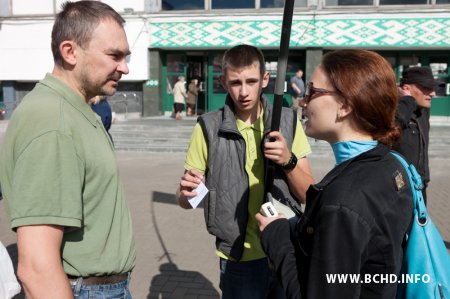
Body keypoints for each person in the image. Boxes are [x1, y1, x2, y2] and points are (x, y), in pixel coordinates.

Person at [0, 1, 136, 298]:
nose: (124, 67)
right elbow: (36, 267)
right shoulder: (54, 122)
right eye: (114, 55)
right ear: (70, 52)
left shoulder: (75, 110)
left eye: (126, 56)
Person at [256, 49, 414, 299]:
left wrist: (276, 235)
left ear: (345, 107)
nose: (303, 101)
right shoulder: (390, 163)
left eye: (312, 92)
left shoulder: (343, 202)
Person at [176, 44, 314, 299]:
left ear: (264, 79)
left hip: (284, 248)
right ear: (223, 83)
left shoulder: (287, 121)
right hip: (237, 257)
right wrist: (187, 193)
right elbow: (187, 200)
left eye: (251, 81)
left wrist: (288, 160)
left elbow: (308, 195)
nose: (243, 91)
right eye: (235, 82)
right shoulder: (208, 127)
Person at [393, 66, 444, 204]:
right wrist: (407, 101)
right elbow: (394, 127)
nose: (433, 93)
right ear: (406, 88)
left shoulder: (423, 111)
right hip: (399, 191)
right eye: (426, 88)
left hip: (420, 186)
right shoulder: (393, 111)